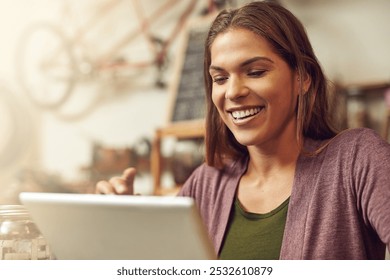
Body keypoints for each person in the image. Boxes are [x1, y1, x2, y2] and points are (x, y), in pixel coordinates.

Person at [96, 1, 390, 260]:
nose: (233, 92)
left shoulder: (356, 159)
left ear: (303, 78)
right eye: (220, 78)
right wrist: (127, 226)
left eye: (256, 72)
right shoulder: (206, 184)